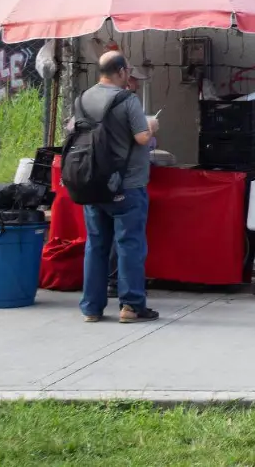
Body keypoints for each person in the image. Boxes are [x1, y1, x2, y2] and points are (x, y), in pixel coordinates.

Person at [78, 51, 159, 324]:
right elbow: (141, 137)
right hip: (127, 185)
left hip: (92, 184)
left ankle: (91, 307)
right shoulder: (127, 100)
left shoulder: (82, 99)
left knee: (96, 245)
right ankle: (131, 306)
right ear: (122, 71)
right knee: (130, 244)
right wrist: (151, 125)